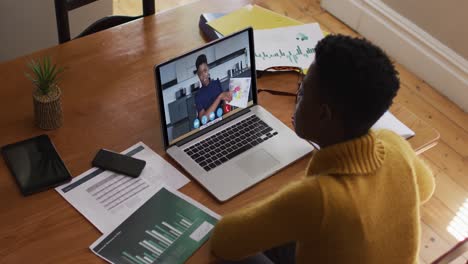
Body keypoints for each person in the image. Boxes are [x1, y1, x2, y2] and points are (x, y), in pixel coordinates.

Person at [210, 34, 435, 264]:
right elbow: (426, 187)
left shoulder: (318, 198)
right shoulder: (394, 144)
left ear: (323, 114)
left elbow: (223, 240)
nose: (298, 98)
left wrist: (281, 204)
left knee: (220, 256)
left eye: (303, 91)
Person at [194, 54, 232, 121]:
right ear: (198, 75)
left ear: (208, 69)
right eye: (200, 73)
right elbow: (204, 119)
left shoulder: (217, 83)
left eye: (205, 71)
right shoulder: (198, 96)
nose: (203, 75)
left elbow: (224, 105)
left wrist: (229, 99)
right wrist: (219, 97)